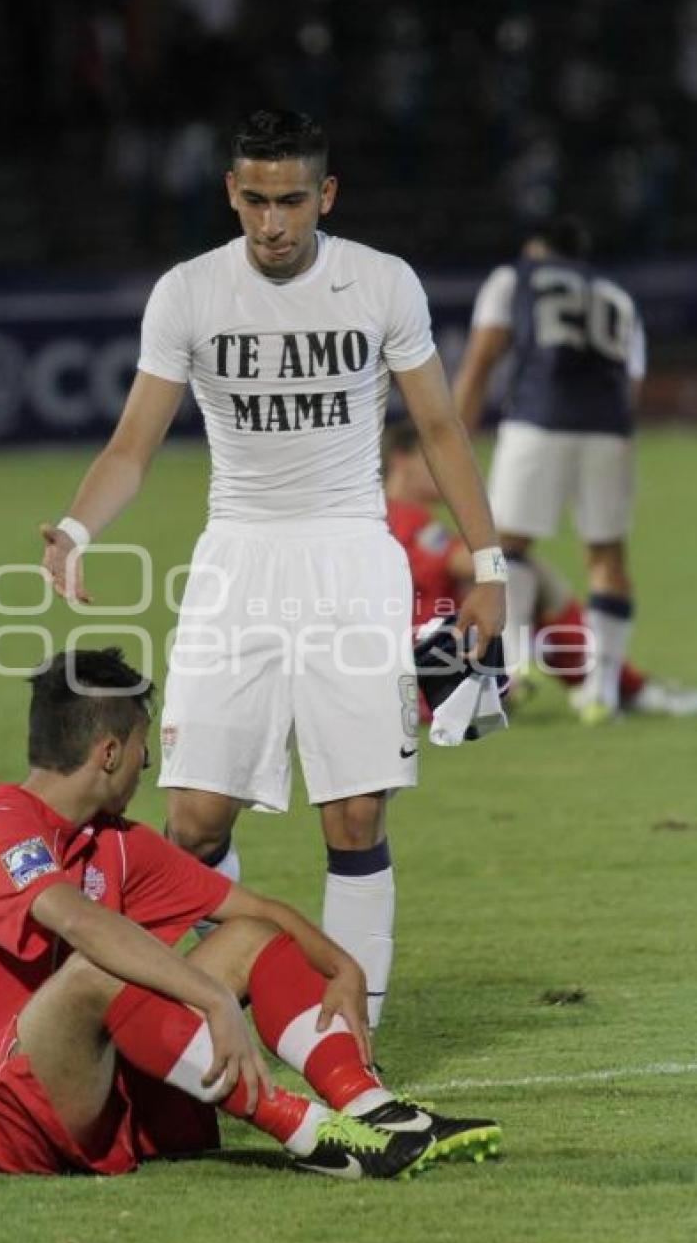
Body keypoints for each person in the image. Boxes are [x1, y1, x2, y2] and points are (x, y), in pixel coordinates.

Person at [40, 109, 506, 1032]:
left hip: (349, 552)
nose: (273, 223)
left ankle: (352, 1031)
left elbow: (442, 428)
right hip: (237, 559)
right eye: (254, 200)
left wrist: (488, 566)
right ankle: (215, 995)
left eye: (292, 200)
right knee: (197, 820)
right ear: (231, 193)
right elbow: (133, 443)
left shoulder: (381, 283)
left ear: (325, 194)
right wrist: (73, 527)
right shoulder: (189, 293)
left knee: (355, 817)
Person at [0, 647, 501, 1180]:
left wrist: (342, 965)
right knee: (103, 965)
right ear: (109, 752)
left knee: (246, 937)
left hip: (87, 1087)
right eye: (143, 743)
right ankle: (315, 1136)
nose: (148, 764)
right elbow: (81, 924)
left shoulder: (114, 841)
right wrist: (213, 999)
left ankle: (374, 1110)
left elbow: (260, 912)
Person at [452, 215, 643, 724]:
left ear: (536, 248)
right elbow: (633, 382)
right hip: (610, 428)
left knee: (509, 545)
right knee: (606, 556)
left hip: (538, 418)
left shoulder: (515, 277)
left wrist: (449, 443)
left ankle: (514, 666)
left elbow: (482, 359)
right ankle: (601, 691)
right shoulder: (617, 295)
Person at [383, 420, 697, 716]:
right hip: (431, 685)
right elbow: (479, 564)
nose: (447, 471)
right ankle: (614, 686)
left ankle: (598, 682)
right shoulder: (408, 522)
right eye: (433, 460)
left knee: (514, 581)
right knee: (520, 575)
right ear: (402, 462)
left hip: (402, 677)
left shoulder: (383, 519)